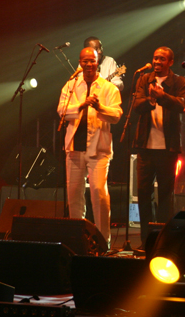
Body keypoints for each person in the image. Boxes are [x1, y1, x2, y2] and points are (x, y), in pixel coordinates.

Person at [57, 46, 123, 246]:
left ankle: (102, 241)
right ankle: (79, 239)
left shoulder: (108, 88)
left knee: (99, 194)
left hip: (98, 150)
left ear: (97, 62)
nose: (88, 64)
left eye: (92, 61)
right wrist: (81, 105)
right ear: (80, 62)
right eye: (84, 61)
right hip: (74, 148)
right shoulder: (71, 85)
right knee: (74, 196)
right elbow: (61, 111)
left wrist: (99, 106)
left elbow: (116, 115)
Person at [133, 46, 185, 247]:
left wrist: (161, 96)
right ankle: (146, 241)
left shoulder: (179, 82)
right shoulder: (143, 79)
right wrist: (152, 99)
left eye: (162, 59)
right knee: (143, 195)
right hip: (145, 148)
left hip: (167, 149)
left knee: (165, 197)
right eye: (155, 58)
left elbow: (181, 105)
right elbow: (137, 106)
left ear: (170, 62)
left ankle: (163, 241)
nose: (157, 62)